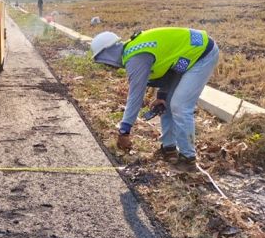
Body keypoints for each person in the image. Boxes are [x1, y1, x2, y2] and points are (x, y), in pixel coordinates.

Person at [90, 27, 219, 172]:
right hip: (186, 58)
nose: (106, 66)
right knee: (167, 104)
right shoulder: (133, 50)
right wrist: (162, 96)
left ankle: (188, 159)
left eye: (103, 61)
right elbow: (170, 67)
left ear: (108, 52)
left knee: (180, 106)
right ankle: (169, 148)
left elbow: (135, 97)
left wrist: (124, 131)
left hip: (202, 54)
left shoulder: (136, 57)